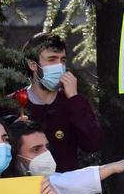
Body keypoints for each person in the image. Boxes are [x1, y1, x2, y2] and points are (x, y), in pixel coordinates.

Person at [20, 33, 101, 173]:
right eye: (52, 59)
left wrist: (74, 100)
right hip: (26, 189)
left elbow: (93, 144)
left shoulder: (73, 101)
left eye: (62, 60)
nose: (59, 66)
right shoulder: (13, 102)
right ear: (33, 64)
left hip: (67, 188)